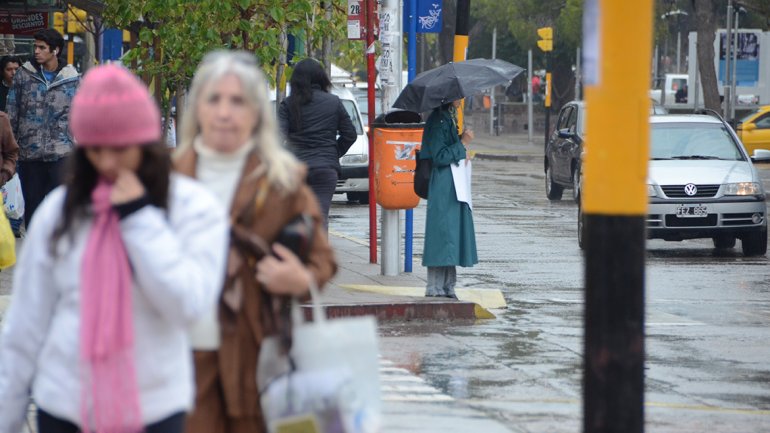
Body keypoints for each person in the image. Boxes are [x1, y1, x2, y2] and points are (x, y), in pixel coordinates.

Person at [0, 64, 229, 433]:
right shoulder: (60, 212)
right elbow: (27, 325)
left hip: (155, 407)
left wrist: (138, 219)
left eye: (121, 148)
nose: (108, 162)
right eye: (96, 149)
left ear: (145, 143)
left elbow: (189, 305)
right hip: (66, 405)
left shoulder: (190, 207)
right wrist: (8, 415)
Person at [175, 51, 337, 433]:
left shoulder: (281, 182)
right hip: (181, 368)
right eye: (214, 99)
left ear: (256, 113)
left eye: (238, 101)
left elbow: (323, 262)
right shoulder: (168, 179)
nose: (225, 113)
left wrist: (299, 279)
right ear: (198, 107)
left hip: (261, 366)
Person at [6, 29, 80, 228]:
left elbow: (80, 115)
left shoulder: (71, 78)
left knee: (61, 206)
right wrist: (10, 150)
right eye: (35, 47)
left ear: (55, 50)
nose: (36, 51)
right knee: (33, 205)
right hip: (30, 153)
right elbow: (12, 111)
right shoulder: (23, 75)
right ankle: (35, 249)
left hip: (61, 153)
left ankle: (58, 250)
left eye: (42, 47)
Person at [278, 58, 356, 228]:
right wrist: (333, 153)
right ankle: (318, 253)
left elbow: (277, 137)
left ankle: (299, 253)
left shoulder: (288, 104)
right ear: (321, 78)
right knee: (319, 217)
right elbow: (350, 134)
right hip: (325, 169)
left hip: (296, 169)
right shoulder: (334, 102)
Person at [419, 99, 478, 298]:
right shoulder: (439, 121)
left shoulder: (447, 118)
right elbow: (440, 156)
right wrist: (462, 143)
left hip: (452, 183)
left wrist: (461, 148)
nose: (461, 100)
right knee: (442, 233)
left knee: (450, 233)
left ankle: (447, 286)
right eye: (458, 96)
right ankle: (436, 287)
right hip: (444, 184)